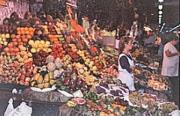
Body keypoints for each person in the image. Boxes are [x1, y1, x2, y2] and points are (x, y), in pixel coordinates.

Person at [161, 33, 179, 107]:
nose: (177, 42)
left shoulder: (171, 46)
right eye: (177, 41)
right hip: (169, 68)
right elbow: (168, 54)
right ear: (173, 40)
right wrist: (176, 53)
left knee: (171, 84)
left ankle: (171, 96)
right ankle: (171, 98)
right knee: (169, 83)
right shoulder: (168, 45)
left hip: (172, 68)